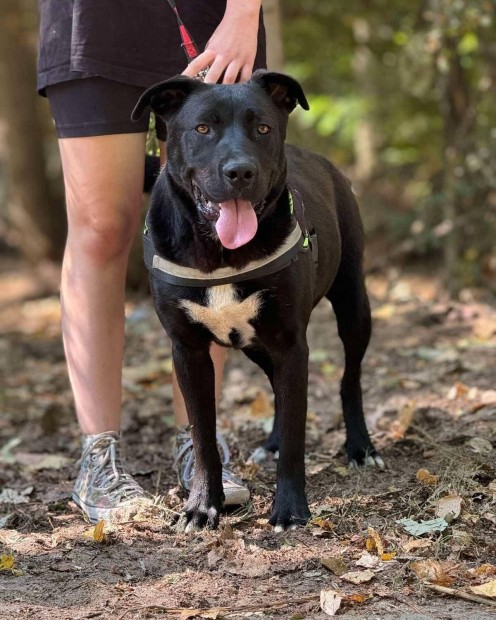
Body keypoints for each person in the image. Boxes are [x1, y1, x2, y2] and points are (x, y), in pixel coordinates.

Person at [37, 0, 266, 523]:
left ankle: (201, 449)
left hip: (212, 17)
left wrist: (243, 13)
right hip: (89, 23)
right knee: (100, 227)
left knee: (208, 224)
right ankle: (98, 460)